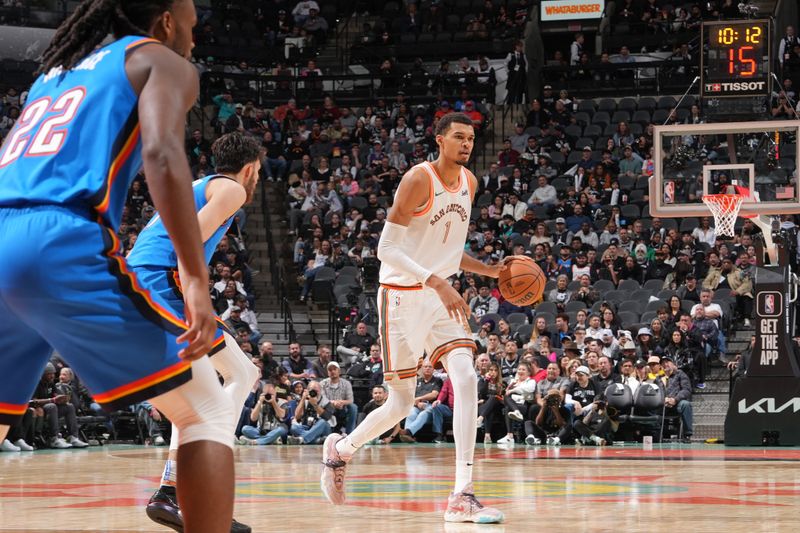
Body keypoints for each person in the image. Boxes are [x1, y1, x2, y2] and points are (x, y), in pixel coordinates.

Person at [0, 2, 236, 532]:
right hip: (55, 238)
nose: (194, 42)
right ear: (167, 22)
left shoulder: (54, 73)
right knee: (206, 410)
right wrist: (195, 279)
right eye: (192, 28)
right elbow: (161, 153)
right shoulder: (159, 60)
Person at [320, 113, 505, 523]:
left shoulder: (470, 183)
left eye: (471, 138)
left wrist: (491, 271)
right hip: (402, 296)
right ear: (439, 140)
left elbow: (449, 249)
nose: (466, 144)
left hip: (441, 298)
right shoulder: (419, 179)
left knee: (467, 376)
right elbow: (386, 247)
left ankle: (462, 494)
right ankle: (341, 450)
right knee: (401, 404)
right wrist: (435, 280)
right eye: (458, 137)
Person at [127, 133, 262, 533]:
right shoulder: (233, 188)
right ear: (251, 167)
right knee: (228, 384)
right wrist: (197, 298)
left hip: (145, 279)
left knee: (239, 374)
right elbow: (188, 239)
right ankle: (187, 487)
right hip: (161, 279)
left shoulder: (199, 186)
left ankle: (173, 490)